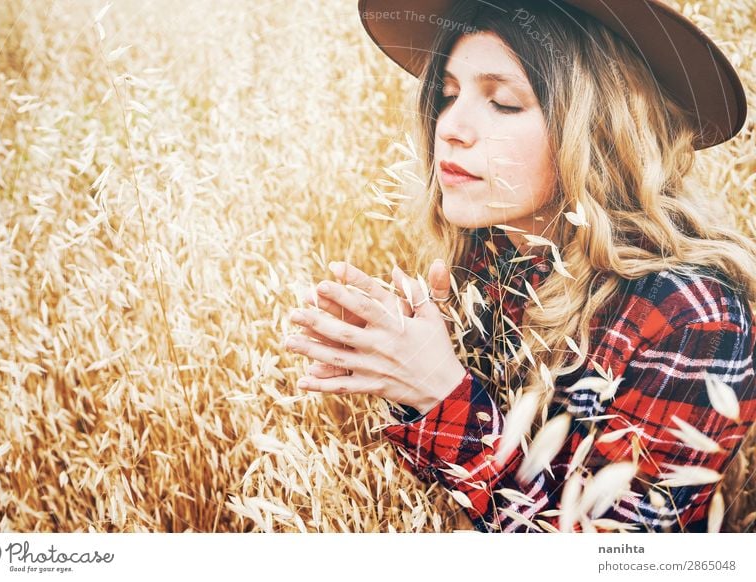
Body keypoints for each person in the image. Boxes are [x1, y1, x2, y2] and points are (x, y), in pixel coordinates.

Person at [282, 0, 756, 532]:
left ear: (598, 132)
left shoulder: (692, 317)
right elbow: (461, 501)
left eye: (504, 103)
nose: (451, 128)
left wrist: (438, 389)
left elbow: (613, 555)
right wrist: (403, 371)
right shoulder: (492, 260)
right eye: (448, 95)